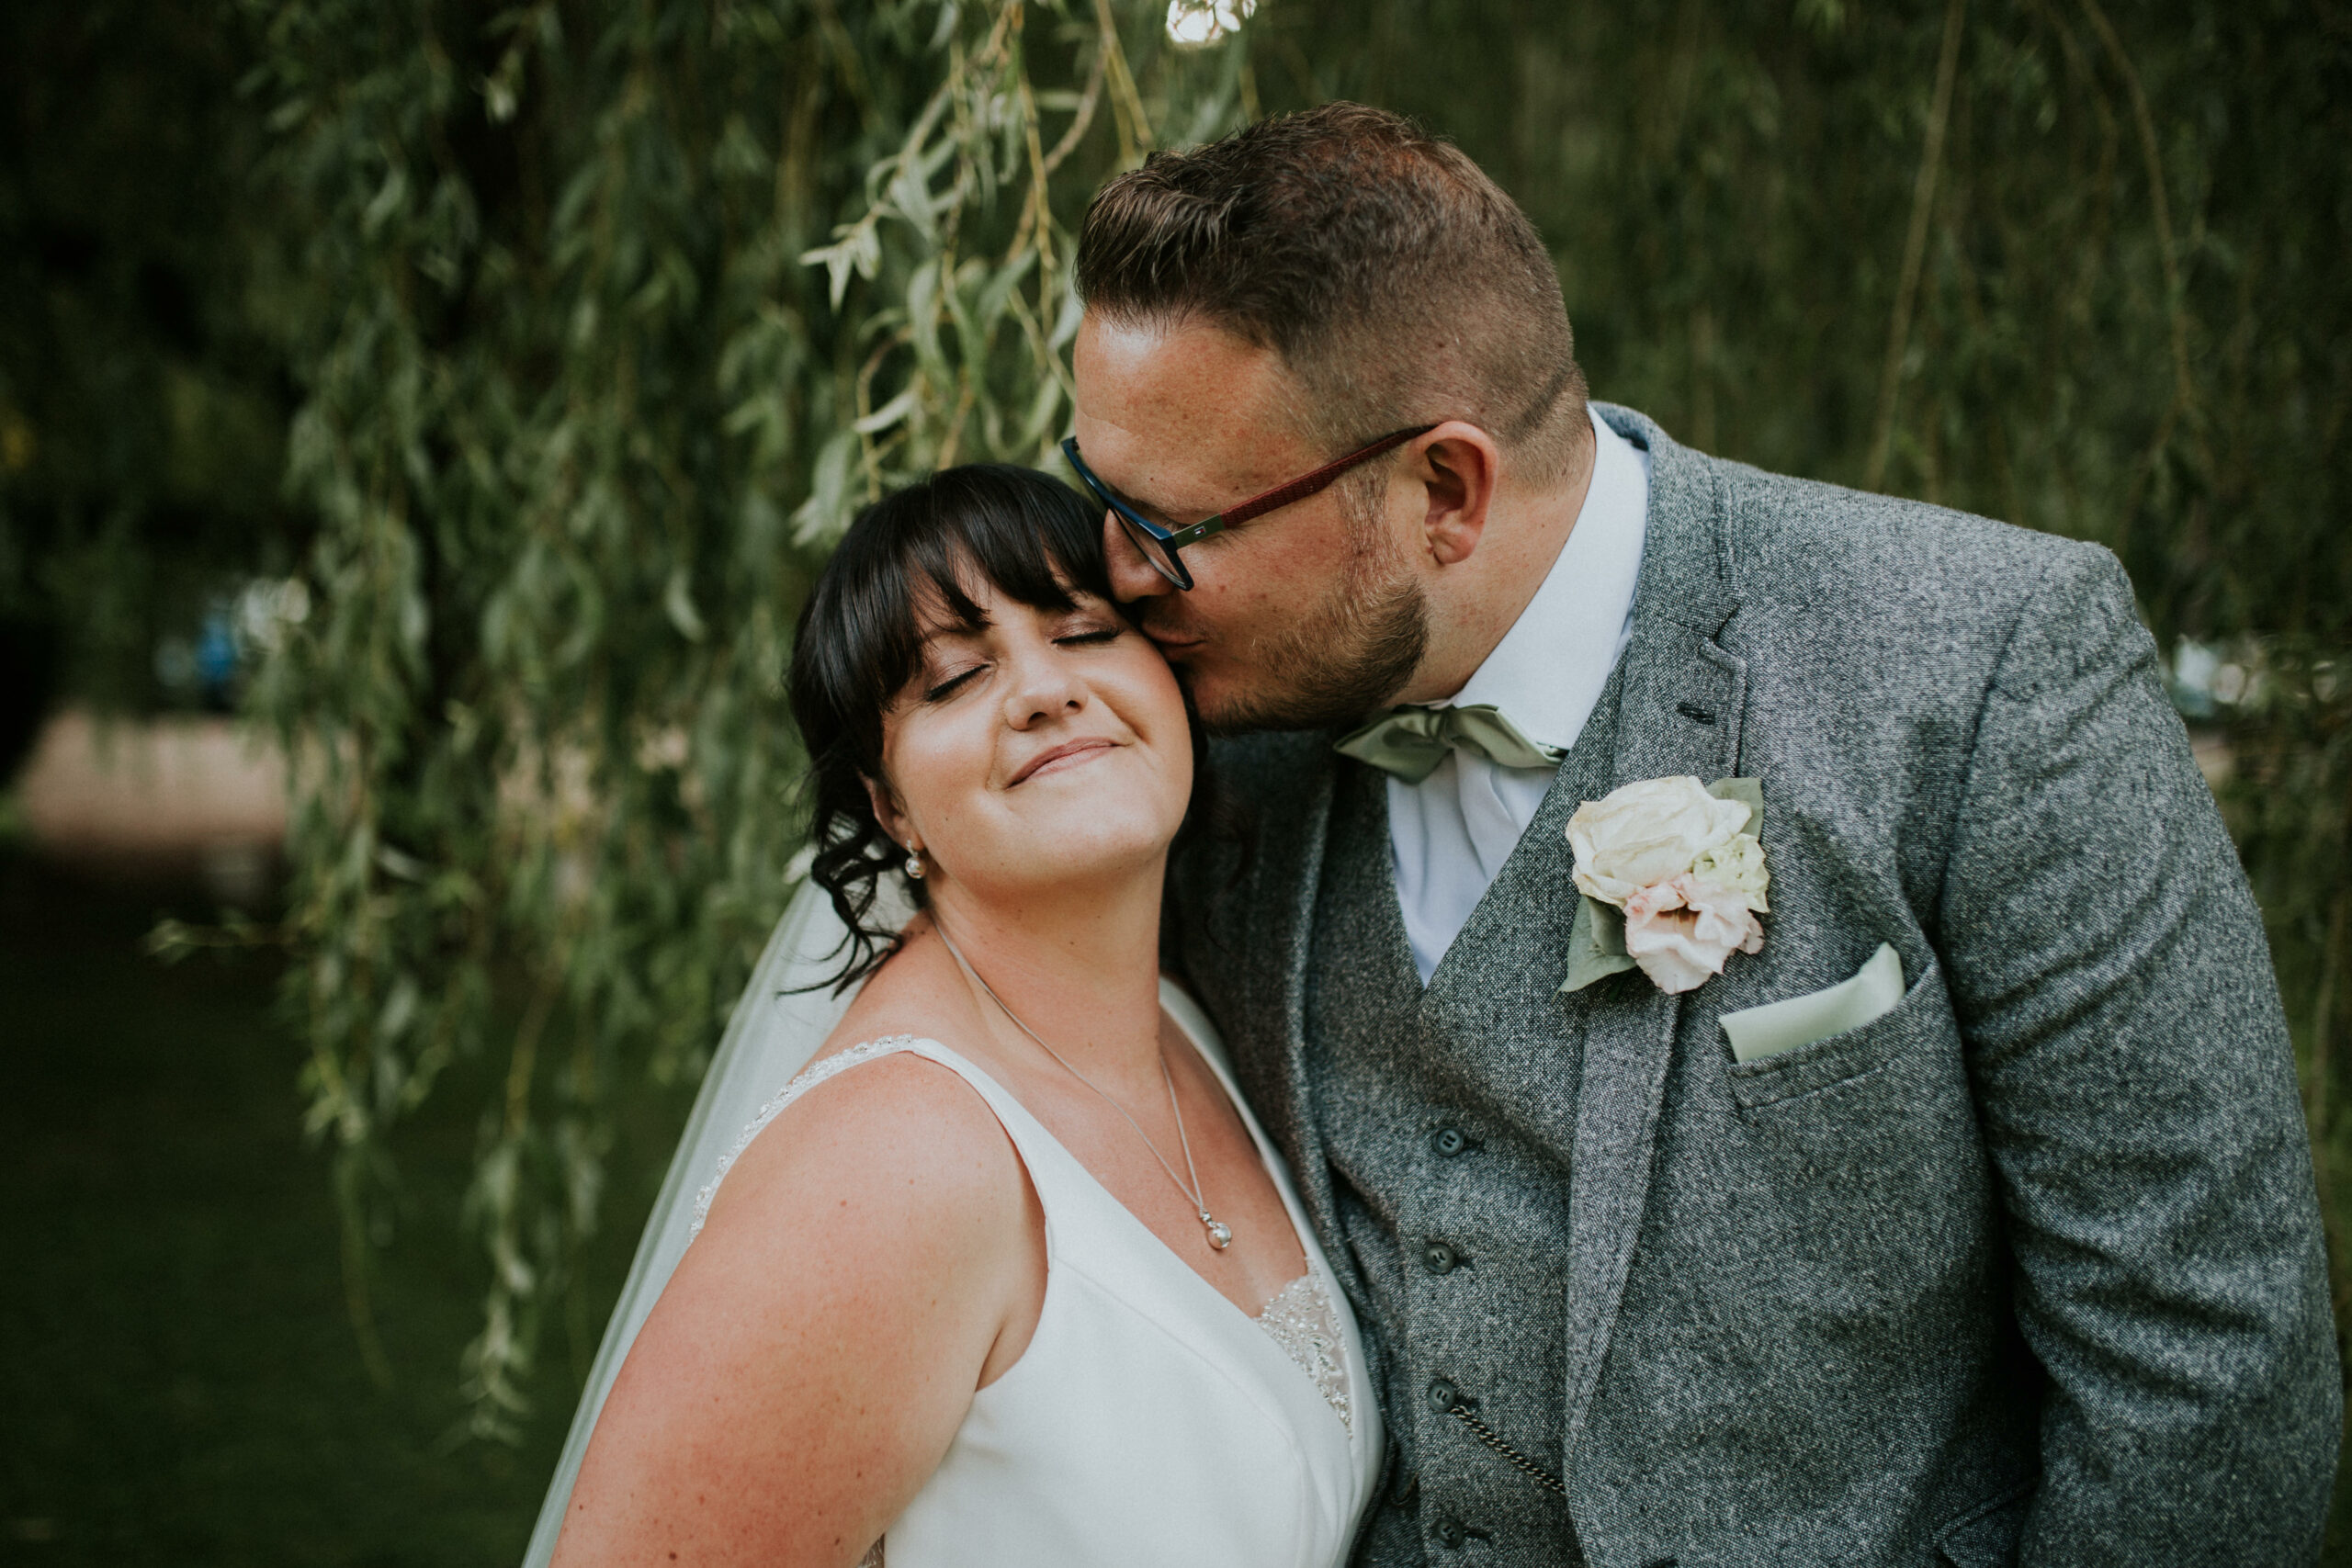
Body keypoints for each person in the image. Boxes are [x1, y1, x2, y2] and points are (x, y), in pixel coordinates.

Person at [1065, 104, 2340, 1564]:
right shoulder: (1180, 738)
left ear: (1443, 489)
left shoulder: (1979, 671)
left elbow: (2206, 1382)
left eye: (1170, 526)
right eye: (1092, 485)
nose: (1110, 574)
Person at [544, 466, 1382, 1566]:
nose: (1042, 689)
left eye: (1082, 631)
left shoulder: (1191, 1026)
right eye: (950, 680)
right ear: (891, 806)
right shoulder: (894, 1162)